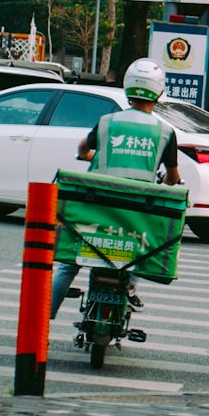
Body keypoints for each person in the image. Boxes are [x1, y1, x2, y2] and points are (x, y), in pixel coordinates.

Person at [50, 58, 182, 319]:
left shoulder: (108, 121)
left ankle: (43, 319)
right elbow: (172, 176)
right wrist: (167, 181)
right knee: (139, 248)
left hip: (94, 206)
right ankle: (131, 285)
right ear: (159, 92)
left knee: (67, 268)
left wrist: (91, 159)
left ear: (127, 87)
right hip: (135, 212)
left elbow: (82, 150)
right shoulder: (165, 132)